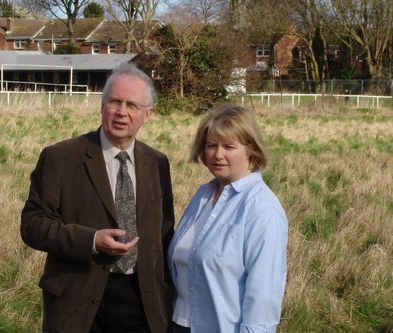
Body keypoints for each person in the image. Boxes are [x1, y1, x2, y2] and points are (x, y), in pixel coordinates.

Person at [21, 62, 175, 333]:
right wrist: (91, 241)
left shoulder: (158, 163)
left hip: (142, 302)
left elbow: (164, 235)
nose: (122, 112)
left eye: (132, 105)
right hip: (78, 301)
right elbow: (33, 226)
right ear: (102, 105)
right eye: (114, 101)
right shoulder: (61, 157)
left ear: (147, 114)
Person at [167, 105, 288, 333]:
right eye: (211, 146)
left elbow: (264, 296)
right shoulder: (203, 195)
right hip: (178, 324)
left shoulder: (263, 210)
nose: (217, 154)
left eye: (229, 147)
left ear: (251, 149)